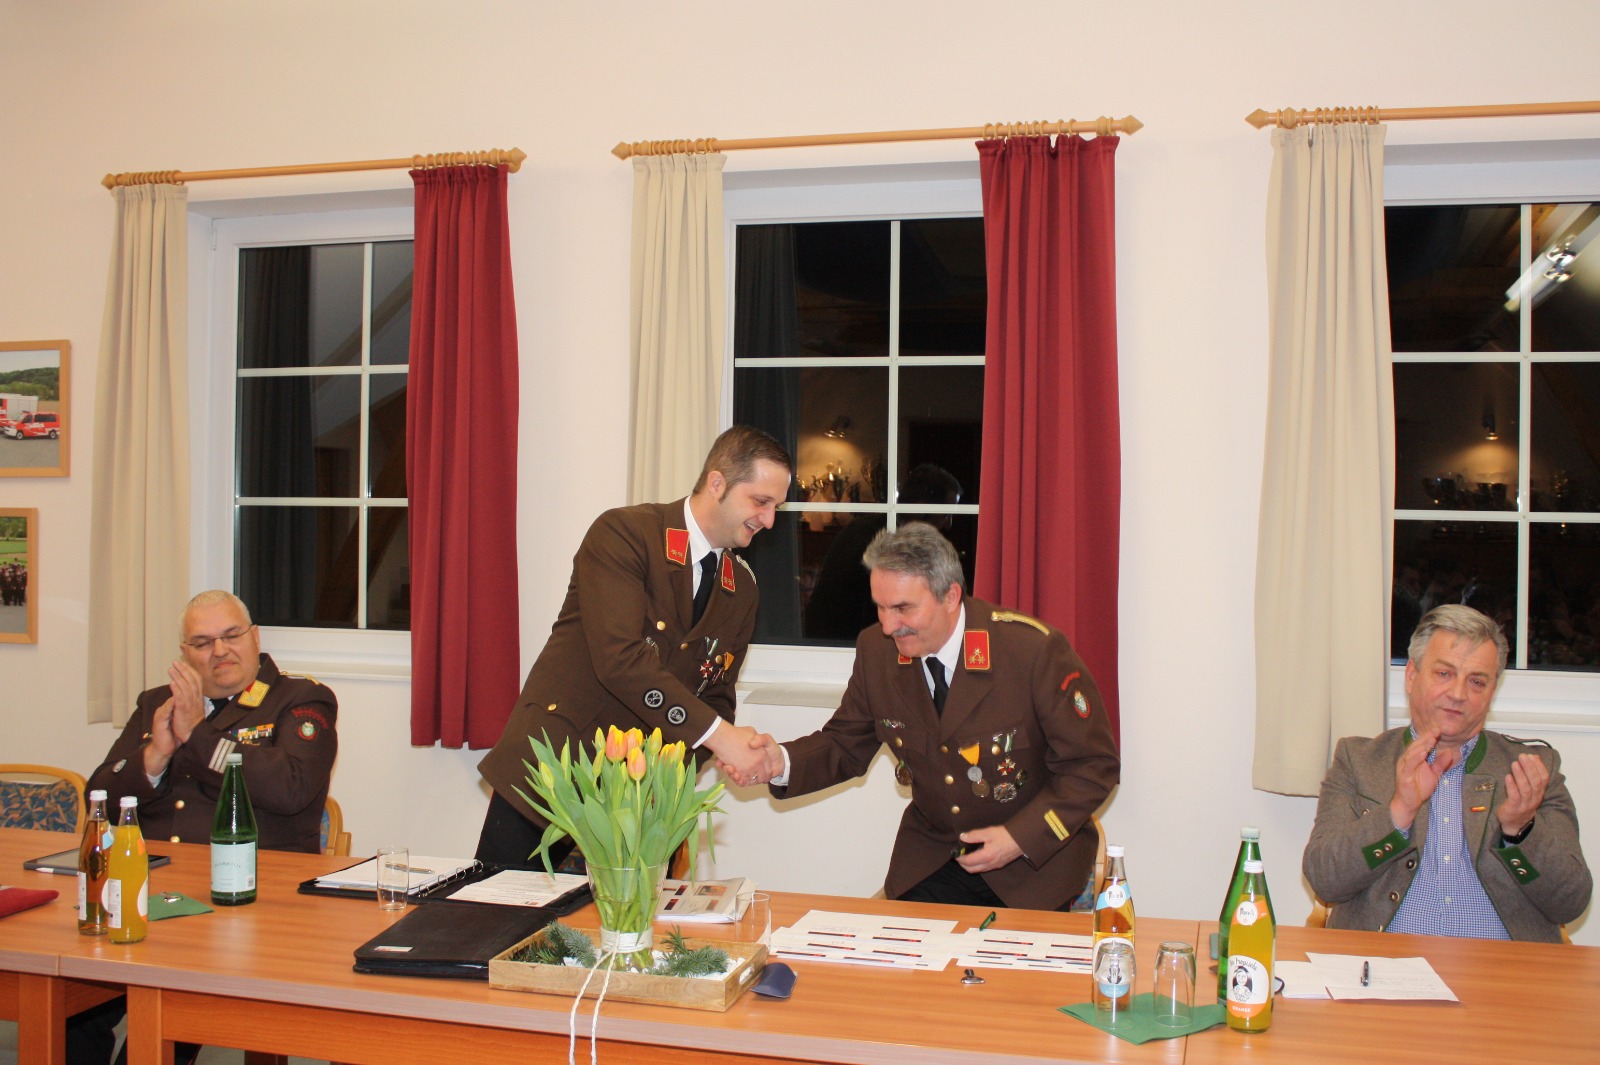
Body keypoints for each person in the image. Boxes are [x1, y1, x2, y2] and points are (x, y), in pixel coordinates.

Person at [736, 522, 1120, 910]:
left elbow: (1093, 765)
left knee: (1011, 952)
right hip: (935, 860)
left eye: (903, 608)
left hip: (1033, 866)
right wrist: (780, 762)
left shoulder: (1031, 652)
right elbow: (844, 744)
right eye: (881, 607)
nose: (888, 626)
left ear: (950, 596)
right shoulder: (877, 651)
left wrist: (1020, 838)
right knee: (888, 947)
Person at [475, 425, 793, 868]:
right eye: (761, 501)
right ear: (717, 483)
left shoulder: (741, 588)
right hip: (555, 771)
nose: (770, 520)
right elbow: (621, 660)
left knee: (627, 915)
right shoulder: (626, 534)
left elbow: (716, 696)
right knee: (496, 906)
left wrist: (672, 779)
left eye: (777, 506)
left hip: (638, 799)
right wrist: (723, 738)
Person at [72, 590, 338, 1065]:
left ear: (255, 637)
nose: (219, 650)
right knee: (71, 1004)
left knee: (156, 1031)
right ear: (184, 653)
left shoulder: (300, 700)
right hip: (155, 894)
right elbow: (101, 798)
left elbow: (291, 788)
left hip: (249, 902)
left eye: (231, 635)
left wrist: (197, 734)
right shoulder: (157, 703)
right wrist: (155, 754)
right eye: (202, 642)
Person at [1303, 604, 1591, 942]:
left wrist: (1519, 831)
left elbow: (1570, 903)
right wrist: (1399, 812)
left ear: (1492, 693)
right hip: (1384, 961)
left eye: (1477, 681)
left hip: (1502, 966)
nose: (1458, 694)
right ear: (1412, 676)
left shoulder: (1530, 771)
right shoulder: (1359, 761)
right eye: (1444, 674)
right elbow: (1325, 880)